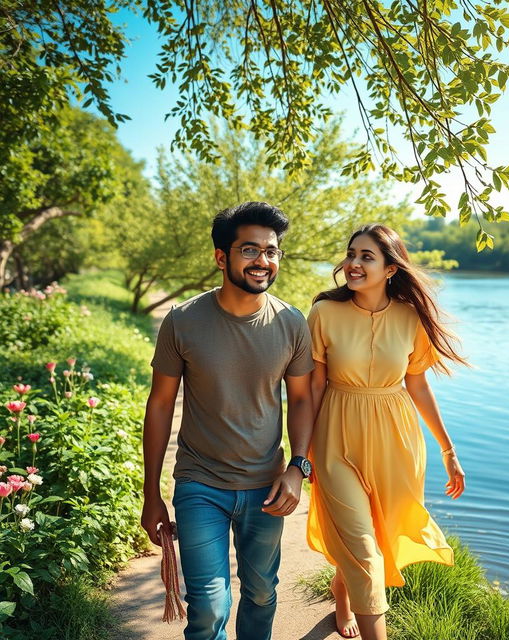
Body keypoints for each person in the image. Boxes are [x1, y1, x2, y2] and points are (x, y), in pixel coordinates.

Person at [141, 201, 315, 640]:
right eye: (250, 250)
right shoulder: (182, 320)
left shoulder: (292, 323)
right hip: (200, 483)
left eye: (272, 251)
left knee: (260, 593)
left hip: (266, 485)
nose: (264, 261)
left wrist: (298, 467)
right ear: (222, 257)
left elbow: (301, 401)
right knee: (209, 605)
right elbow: (160, 405)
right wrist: (151, 494)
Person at [306, 224, 467, 640]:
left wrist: (448, 450)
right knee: (362, 547)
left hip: (396, 441)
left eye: (366, 257)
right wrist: (301, 455)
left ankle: (342, 591)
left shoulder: (410, 317)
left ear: (391, 268)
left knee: (377, 538)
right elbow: (315, 386)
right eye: (351, 254)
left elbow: (417, 384)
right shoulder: (324, 312)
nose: (353, 264)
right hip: (336, 437)